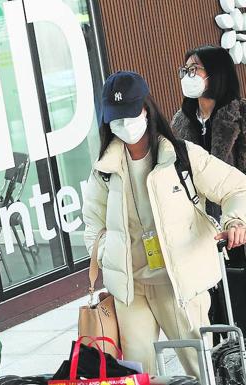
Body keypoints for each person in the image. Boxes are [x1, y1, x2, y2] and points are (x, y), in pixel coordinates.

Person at [82, 71, 246, 377]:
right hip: (133, 290)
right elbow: (92, 226)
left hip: (178, 285)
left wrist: (235, 220)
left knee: (201, 371)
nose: (124, 125)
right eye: (116, 118)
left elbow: (237, 188)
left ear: (146, 108)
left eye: (130, 114)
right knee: (138, 375)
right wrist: (109, 252)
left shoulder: (181, 155)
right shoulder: (104, 170)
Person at [172, 45, 246, 220]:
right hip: (201, 219)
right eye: (185, 70)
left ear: (217, 72)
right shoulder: (180, 122)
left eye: (194, 69)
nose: (187, 76)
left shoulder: (241, 113)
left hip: (238, 213)